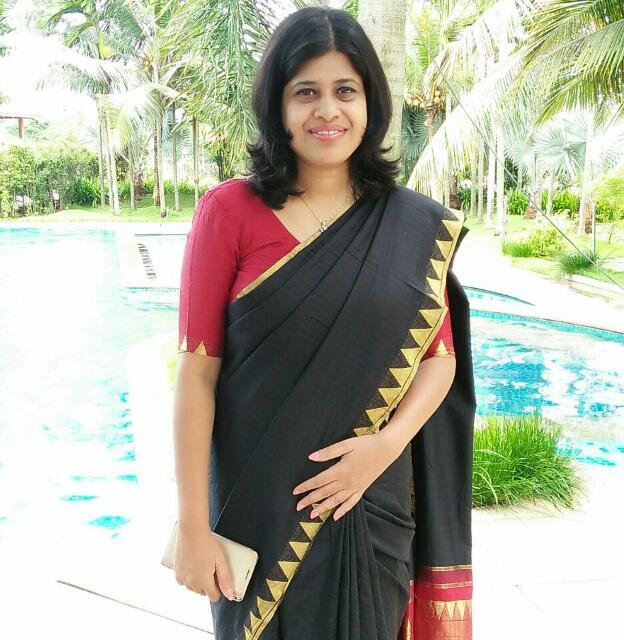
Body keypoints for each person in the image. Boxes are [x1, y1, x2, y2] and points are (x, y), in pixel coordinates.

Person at [172, 6, 476, 640]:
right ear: (278, 107)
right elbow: (197, 375)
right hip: (257, 504)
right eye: (305, 92)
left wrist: (384, 448)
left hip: (368, 502)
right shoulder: (229, 213)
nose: (327, 110)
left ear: (370, 104)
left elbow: (439, 359)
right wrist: (193, 527)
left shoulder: (410, 227)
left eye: (345, 91)